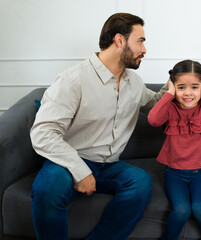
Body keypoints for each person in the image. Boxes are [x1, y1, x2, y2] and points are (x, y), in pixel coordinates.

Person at [30, 13, 167, 240]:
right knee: (47, 189)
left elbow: (155, 106)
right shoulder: (73, 79)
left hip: (108, 166)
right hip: (69, 161)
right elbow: (43, 133)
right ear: (120, 40)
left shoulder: (134, 82)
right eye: (140, 41)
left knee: (140, 182)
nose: (144, 50)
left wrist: (176, 85)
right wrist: (80, 171)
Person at [148, 60, 201, 240]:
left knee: (200, 208)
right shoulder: (170, 108)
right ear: (173, 87)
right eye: (181, 87)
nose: (187, 93)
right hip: (174, 174)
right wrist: (169, 93)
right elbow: (153, 120)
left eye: (194, 87)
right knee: (181, 210)